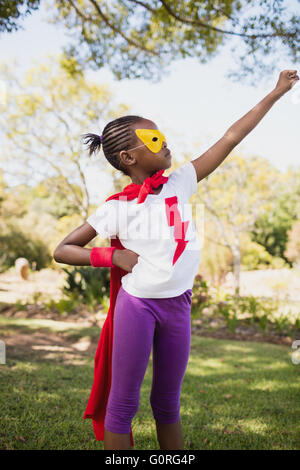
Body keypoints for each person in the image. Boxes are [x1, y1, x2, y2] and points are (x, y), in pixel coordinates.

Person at [53, 70, 299, 450]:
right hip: (137, 307)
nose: (165, 143)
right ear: (128, 157)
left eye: (163, 136)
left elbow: (231, 137)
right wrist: (113, 254)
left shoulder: (181, 182)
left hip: (178, 307)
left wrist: (276, 93)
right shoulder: (116, 207)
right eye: (153, 139)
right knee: (123, 404)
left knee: (167, 403)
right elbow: (63, 249)